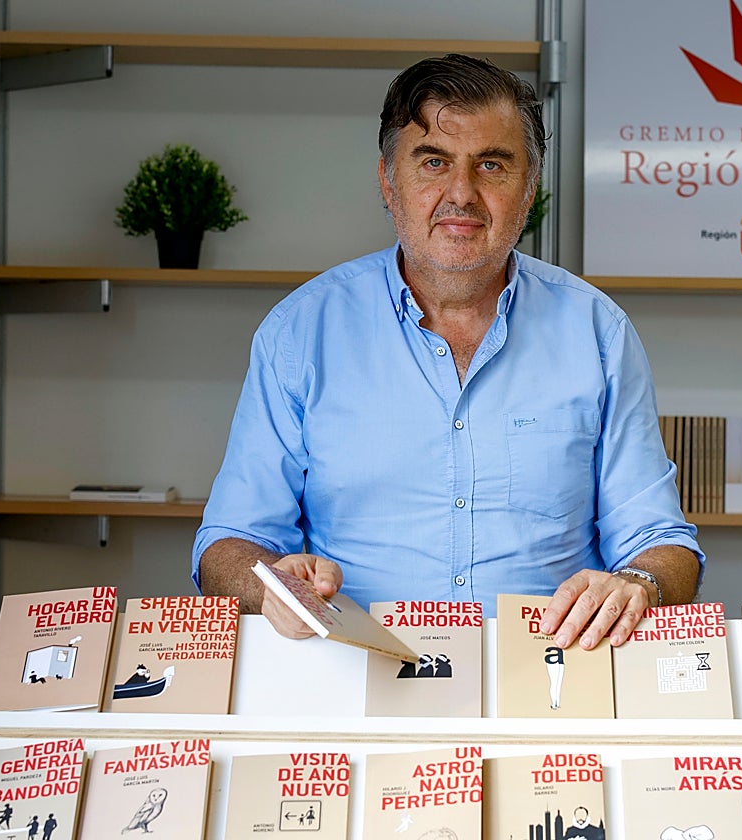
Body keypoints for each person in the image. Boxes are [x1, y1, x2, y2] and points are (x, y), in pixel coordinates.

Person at [192, 53, 703, 650]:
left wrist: (639, 583)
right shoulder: (301, 332)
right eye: (433, 162)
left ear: (529, 188)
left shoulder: (598, 332)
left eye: (492, 165)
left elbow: (663, 543)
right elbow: (227, 544)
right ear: (389, 181)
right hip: (355, 674)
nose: (462, 193)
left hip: (548, 682)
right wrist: (268, 583)